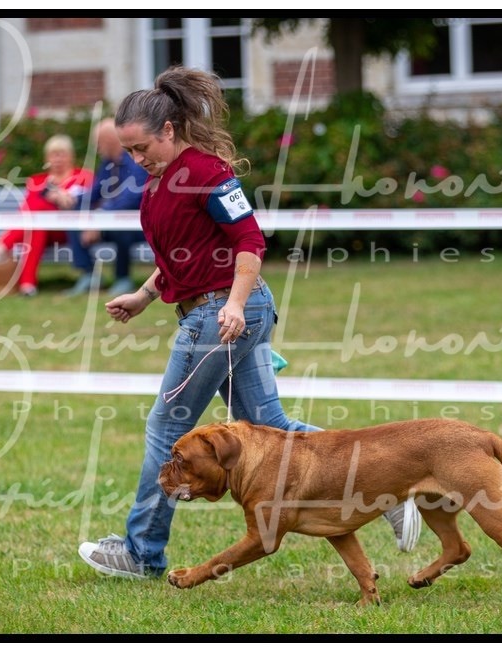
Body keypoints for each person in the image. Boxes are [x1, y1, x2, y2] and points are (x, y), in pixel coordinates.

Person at [78, 66, 420, 580]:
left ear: (168, 131)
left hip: (224, 315)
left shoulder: (208, 173)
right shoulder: (162, 179)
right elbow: (184, 255)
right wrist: (146, 295)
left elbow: (249, 242)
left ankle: (141, 553)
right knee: (275, 429)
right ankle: (383, 488)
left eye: (141, 147)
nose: (136, 158)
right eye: (128, 151)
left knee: (164, 427)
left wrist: (233, 305)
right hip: (220, 309)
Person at [0, 135, 93, 296]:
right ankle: (28, 286)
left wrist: (57, 195)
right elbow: (25, 211)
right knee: (36, 226)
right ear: (46, 158)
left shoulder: (84, 176)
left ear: (71, 156)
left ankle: (3, 245)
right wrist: (54, 196)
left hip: (69, 230)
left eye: (62, 154)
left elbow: (84, 201)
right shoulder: (36, 180)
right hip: (42, 230)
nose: (57, 159)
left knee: (37, 215)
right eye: (53, 154)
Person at [63, 118, 150, 297]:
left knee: (121, 229)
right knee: (75, 220)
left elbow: (131, 198)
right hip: (107, 221)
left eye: (99, 144)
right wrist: (70, 199)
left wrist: (99, 218)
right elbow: (94, 193)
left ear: (109, 141)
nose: (98, 149)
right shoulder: (107, 164)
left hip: (141, 226)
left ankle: (122, 278)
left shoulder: (136, 162)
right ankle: (90, 275)